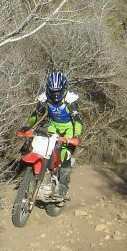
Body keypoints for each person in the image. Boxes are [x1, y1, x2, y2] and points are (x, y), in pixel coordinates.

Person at [20, 71, 83, 200]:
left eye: (58, 92)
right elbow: (36, 114)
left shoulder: (70, 100)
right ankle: (41, 176)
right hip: (53, 126)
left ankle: (62, 189)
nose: (55, 95)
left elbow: (77, 120)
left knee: (65, 156)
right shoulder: (45, 99)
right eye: (53, 91)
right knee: (41, 148)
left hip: (69, 129)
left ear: (64, 89)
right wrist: (29, 125)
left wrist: (76, 135)